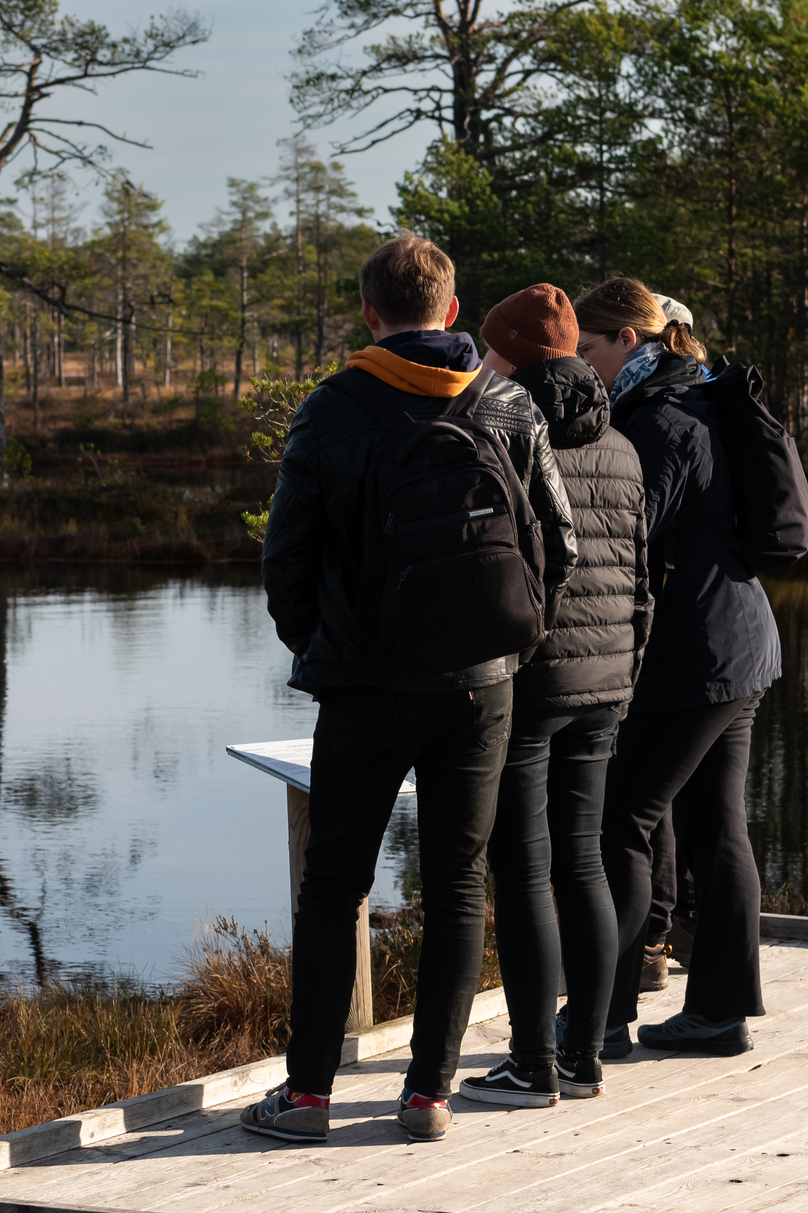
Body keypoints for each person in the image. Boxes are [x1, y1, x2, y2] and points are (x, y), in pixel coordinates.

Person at [245, 234, 577, 1145]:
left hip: (364, 683)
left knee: (334, 884)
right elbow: (561, 543)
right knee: (459, 884)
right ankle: (428, 1096)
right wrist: (512, 644)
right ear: (453, 309)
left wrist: (327, 648)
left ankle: (307, 1097)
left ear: (369, 314)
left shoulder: (330, 410)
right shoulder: (507, 402)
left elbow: (285, 562)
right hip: (483, 688)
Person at [570, 276, 779, 1059]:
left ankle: (600, 1019)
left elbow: (631, 538)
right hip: (738, 641)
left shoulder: (659, 419)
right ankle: (718, 1013)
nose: (582, 364)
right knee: (716, 829)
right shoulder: (694, 396)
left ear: (627, 339)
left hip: (693, 653)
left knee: (619, 823)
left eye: (589, 347)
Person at [454, 284, 649, 1111]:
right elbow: (642, 574)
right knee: (584, 861)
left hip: (529, 680)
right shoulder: (623, 444)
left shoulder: (500, 432)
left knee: (523, 869)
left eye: (490, 349)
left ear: (512, 357)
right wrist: (628, 668)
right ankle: (584, 1056)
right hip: (606, 681)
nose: (481, 360)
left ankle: (532, 1066)